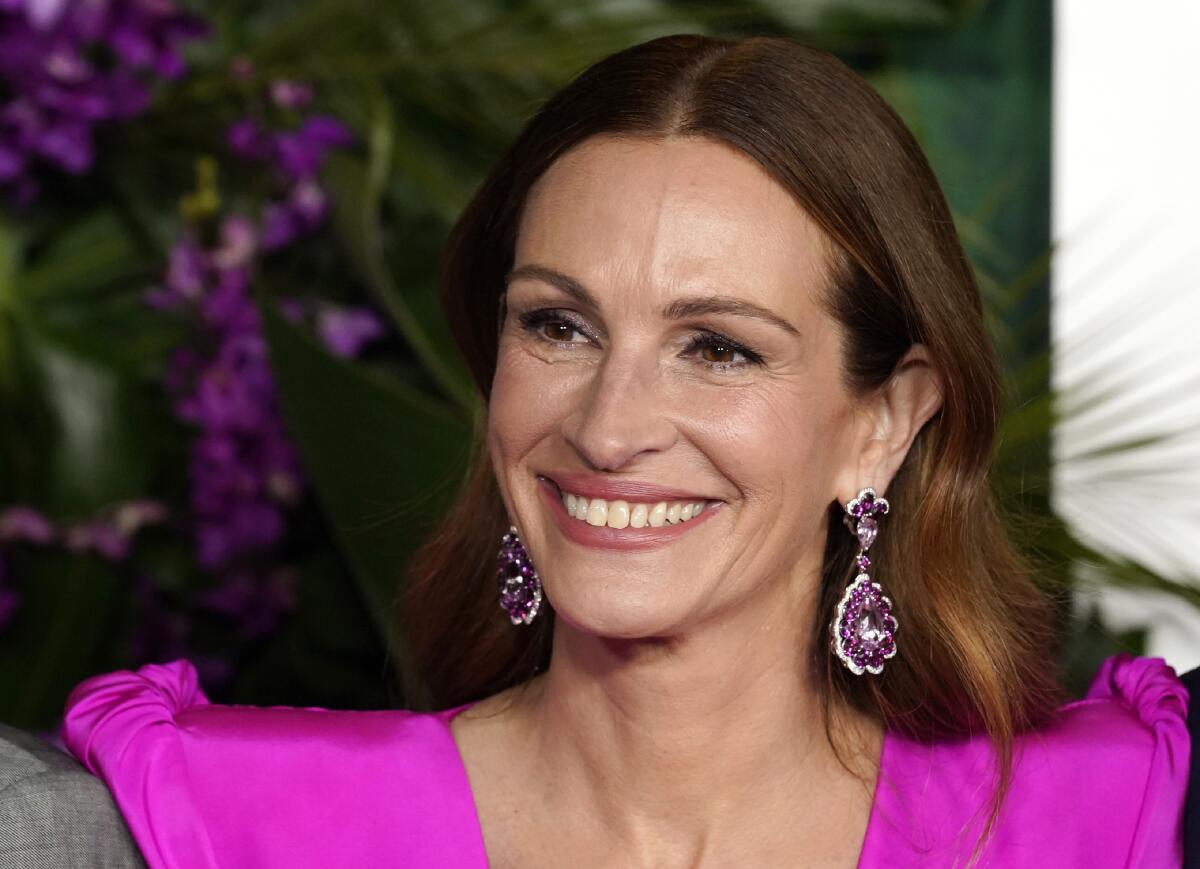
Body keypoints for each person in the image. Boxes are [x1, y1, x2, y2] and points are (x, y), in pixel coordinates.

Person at [59, 34, 1189, 868]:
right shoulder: (234, 817)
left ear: (882, 423)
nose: (606, 426)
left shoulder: (1098, 820)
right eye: (558, 325)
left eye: (718, 347)